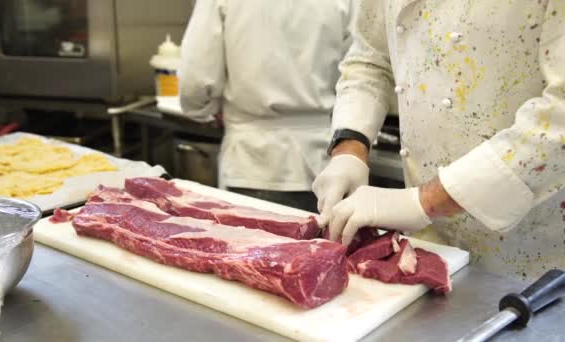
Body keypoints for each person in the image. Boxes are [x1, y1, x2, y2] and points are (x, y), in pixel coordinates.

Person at [313, 1, 564, 280]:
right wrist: (349, 148)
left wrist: (422, 202)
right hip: (427, 245)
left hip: (531, 253)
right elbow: (370, 58)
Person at [179, 0, 357, 213]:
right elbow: (358, 75)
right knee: (319, 244)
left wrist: (205, 110)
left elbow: (195, 80)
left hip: (252, 163)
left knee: (249, 243)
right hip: (324, 163)